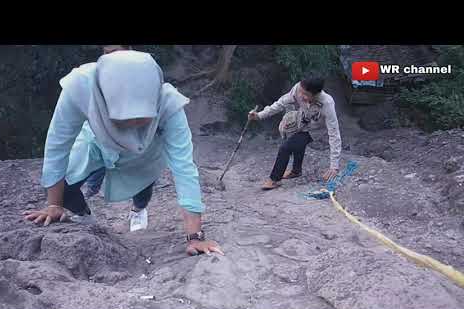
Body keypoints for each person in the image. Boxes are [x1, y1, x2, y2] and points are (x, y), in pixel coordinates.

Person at [24, 49, 223, 256]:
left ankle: (138, 210)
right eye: (123, 120)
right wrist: (54, 205)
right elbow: (58, 146)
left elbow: (184, 167)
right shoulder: (80, 88)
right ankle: (84, 217)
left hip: (145, 151)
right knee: (62, 185)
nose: (132, 125)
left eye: (141, 118)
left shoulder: (168, 104)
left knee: (142, 184)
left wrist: (195, 237)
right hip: (95, 140)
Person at [248, 77, 342, 190]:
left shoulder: (327, 103)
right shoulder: (298, 88)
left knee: (286, 147)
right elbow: (280, 103)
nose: (301, 96)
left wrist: (334, 166)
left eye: (306, 94)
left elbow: (334, 134)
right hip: (301, 120)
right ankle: (296, 171)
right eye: (301, 92)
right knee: (296, 143)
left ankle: (274, 179)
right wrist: (260, 115)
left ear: (316, 94)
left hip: (315, 130)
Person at [83, 45, 133, 198]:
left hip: (129, 120)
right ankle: (92, 187)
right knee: (97, 148)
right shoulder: (99, 71)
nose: (110, 56)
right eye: (106, 52)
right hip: (102, 121)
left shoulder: (137, 70)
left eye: (115, 51)